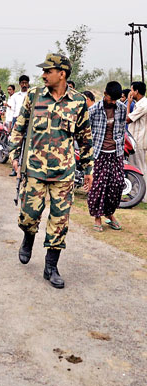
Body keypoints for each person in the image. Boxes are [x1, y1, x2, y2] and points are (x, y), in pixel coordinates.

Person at [10, 53, 93, 289]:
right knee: (29, 216)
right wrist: (14, 156)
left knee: (59, 221)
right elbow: (19, 128)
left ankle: (51, 266)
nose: (43, 74)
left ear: (62, 74)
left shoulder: (78, 102)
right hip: (35, 170)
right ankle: (28, 238)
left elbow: (85, 139)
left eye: (48, 71)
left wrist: (88, 168)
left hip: (64, 174)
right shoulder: (34, 96)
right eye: (43, 71)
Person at [87, 81, 126, 231]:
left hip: (116, 153)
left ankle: (110, 214)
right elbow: (86, 132)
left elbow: (122, 129)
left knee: (116, 185)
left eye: (116, 99)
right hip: (98, 153)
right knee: (98, 186)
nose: (113, 102)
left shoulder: (121, 109)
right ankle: (97, 217)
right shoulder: (94, 110)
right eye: (111, 99)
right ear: (105, 94)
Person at [126, 81, 147, 202]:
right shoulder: (139, 103)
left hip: (139, 140)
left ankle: (141, 196)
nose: (130, 92)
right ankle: (135, 193)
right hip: (135, 140)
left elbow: (128, 119)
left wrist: (128, 103)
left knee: (139, 168)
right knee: (135, 166)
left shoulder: (143, 105)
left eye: (132, 90)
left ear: (137, 91)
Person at [8, 75, 30, 177]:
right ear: (20, 84)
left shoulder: (32, 95)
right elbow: (11, 110)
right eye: (22, 83)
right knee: (16, 144)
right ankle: (14, 167)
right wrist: (9, 124)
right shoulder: (15, 96)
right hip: (16, 120)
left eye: (26, 83)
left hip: (29, 121)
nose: (24, 85)